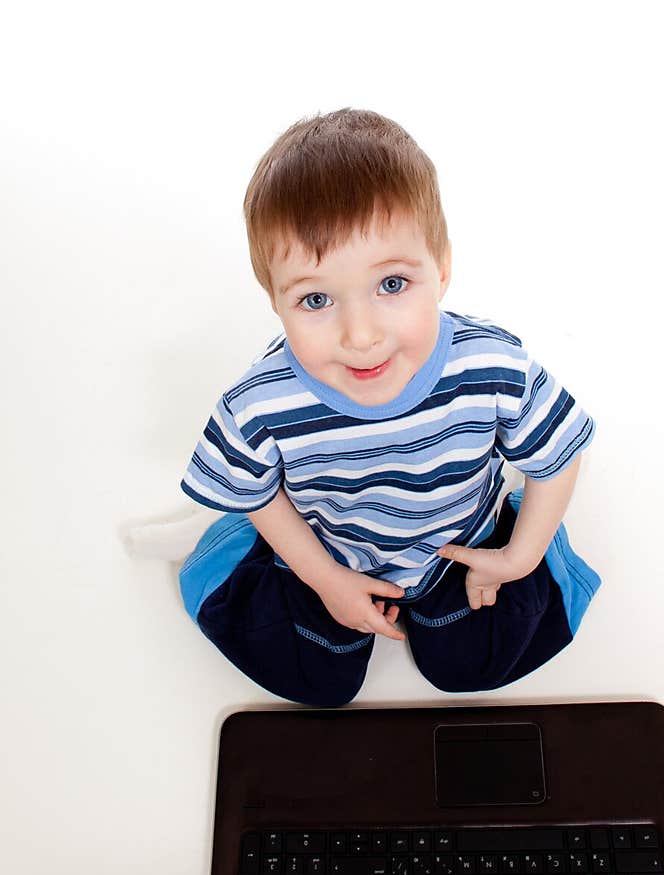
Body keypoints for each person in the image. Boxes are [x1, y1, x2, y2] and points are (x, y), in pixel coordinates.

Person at [178, 108, 601, 706]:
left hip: (458, 542)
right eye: (316, 298)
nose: (361, 334)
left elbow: (558, 454)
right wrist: (325, 579)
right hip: (329, 546)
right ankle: (235, 558)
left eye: (392, 285)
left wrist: (518, 555)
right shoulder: (262, 402)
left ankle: (529, 561)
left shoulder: (486, 366)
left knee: (472, 667)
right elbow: (258, 491)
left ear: (442, 268)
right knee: (318, 682)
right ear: (275, 301)